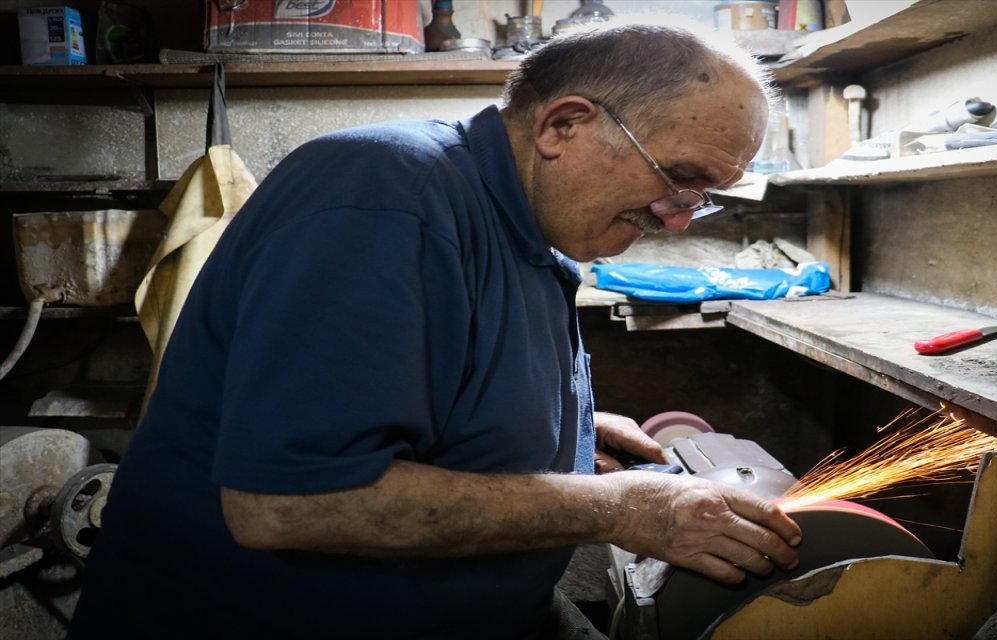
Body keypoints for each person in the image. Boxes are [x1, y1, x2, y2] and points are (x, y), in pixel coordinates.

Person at [70, 18, 801, 640]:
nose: (678, 218)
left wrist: (565, 432)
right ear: (564, 125)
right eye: (676, 178)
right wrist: (621, 508)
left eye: (704, 199)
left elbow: (430, 381)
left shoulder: (527, 223)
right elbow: (288, 504)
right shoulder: (383, 198)